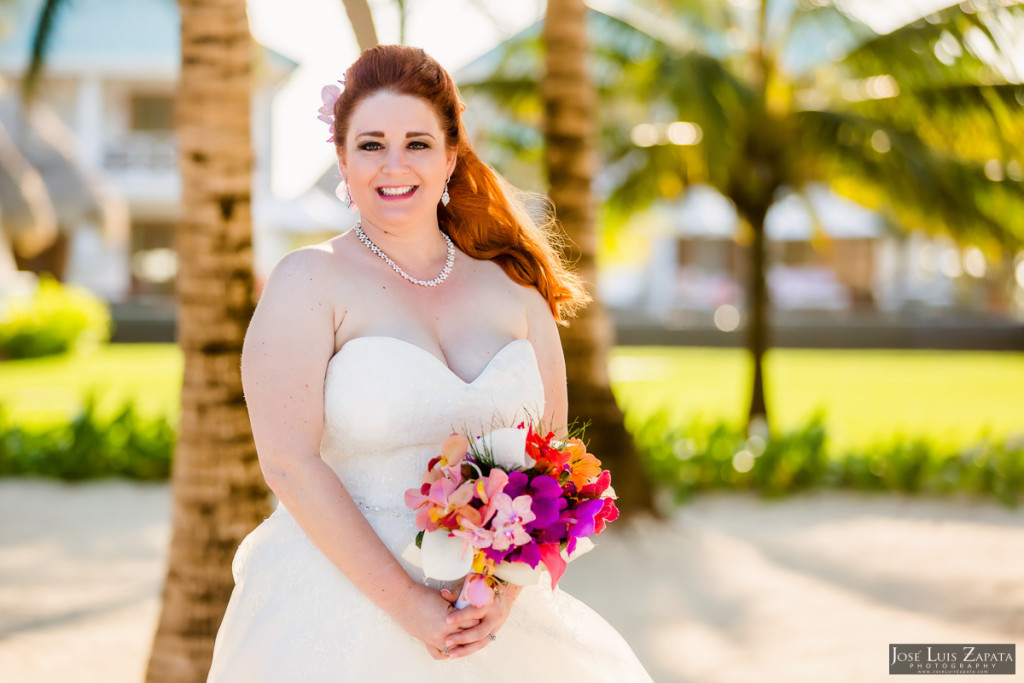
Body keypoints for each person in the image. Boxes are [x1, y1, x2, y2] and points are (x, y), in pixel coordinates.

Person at [206, 44, 653, 682]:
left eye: (417, 143)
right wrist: (412, 608)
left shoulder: (517, 288)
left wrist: (504, 594)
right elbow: (288, 462)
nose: (394, 166)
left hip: (492, 623)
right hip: (338, 616)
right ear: (341, 158)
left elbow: (548, 460)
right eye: (370, 145)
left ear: (450, 156)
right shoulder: (309, 279)